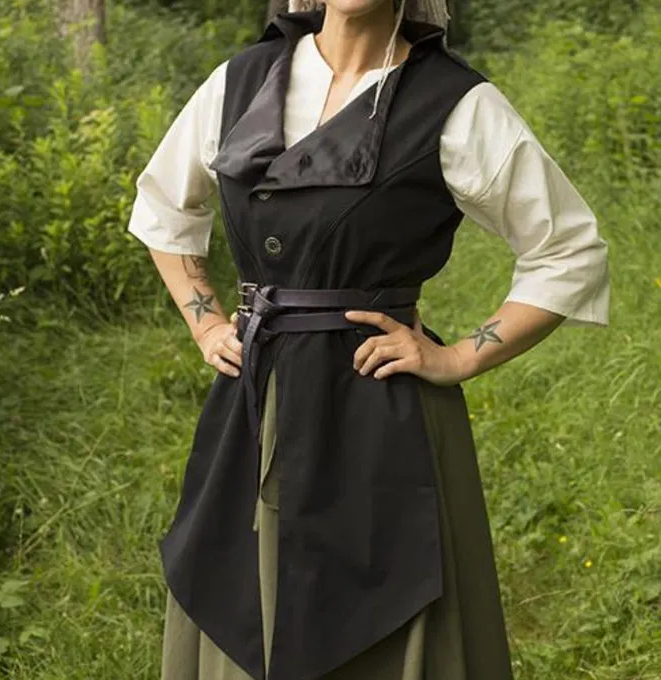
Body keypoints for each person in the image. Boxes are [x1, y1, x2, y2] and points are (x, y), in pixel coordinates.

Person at [126, 1, 610, 679]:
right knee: (241, 594)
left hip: (378, 406)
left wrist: (459, 355)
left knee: (382, 608)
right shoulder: (240, 81)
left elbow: (568, 250)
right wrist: (204, 319)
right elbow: (164, 207)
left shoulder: (455, 103)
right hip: (256, 397)